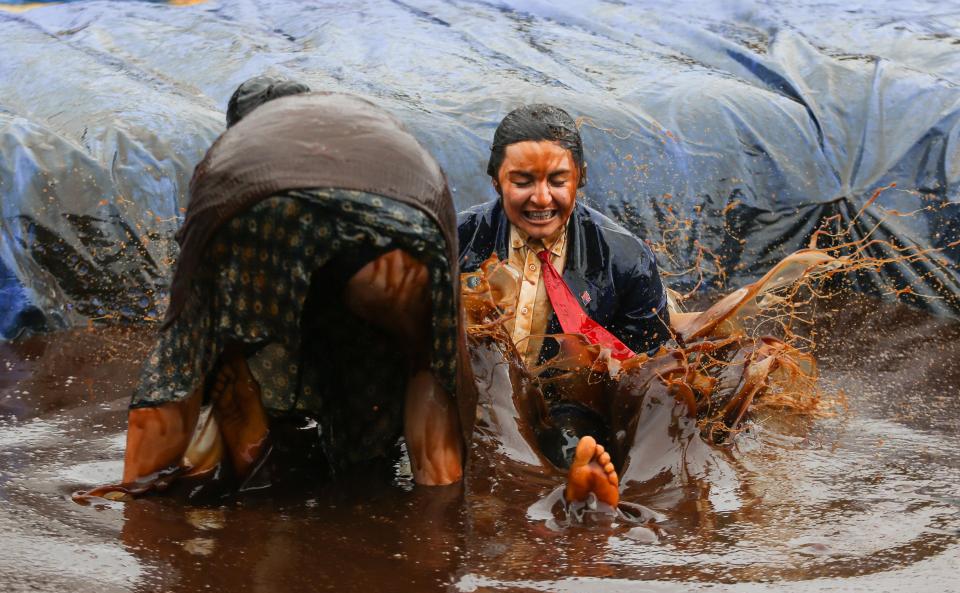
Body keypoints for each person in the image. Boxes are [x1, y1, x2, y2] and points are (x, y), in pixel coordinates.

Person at [117, 86, 475, 495]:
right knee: (427, 360)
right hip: (406, 224)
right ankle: (438, 513)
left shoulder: (234, 153)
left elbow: (202, 276)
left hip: (258, 207)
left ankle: (140, 498)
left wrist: (200, 340)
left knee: (191, 348)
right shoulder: (361, 124)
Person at [457, 104, 671, 506]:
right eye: (522, 181)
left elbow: (648, 371)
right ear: (495, 181)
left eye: (558, 180)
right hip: (479, 395)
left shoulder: (626, 259)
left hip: (568, 405)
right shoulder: (458, 240)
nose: (541, 198)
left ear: (581, 177)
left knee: (574, 436)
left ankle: (578, 479)